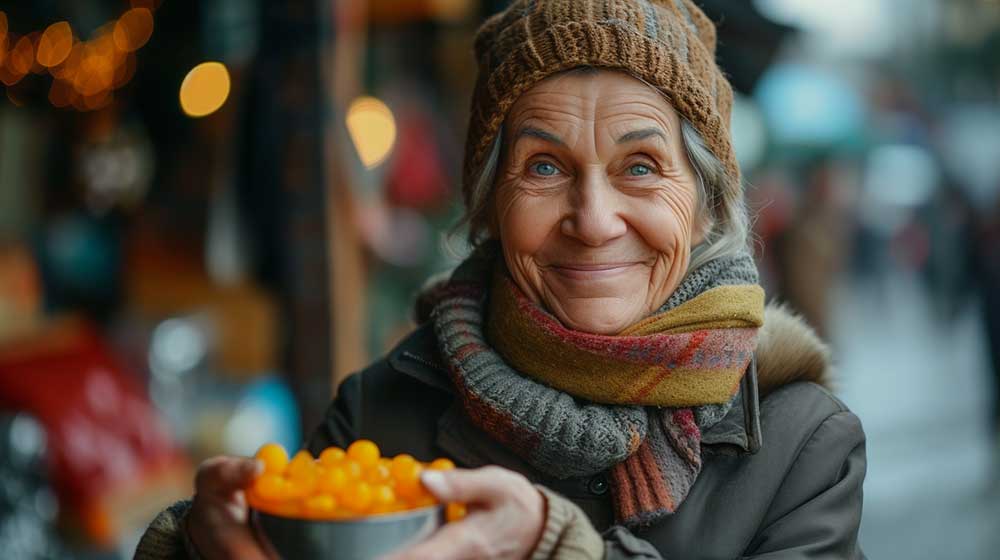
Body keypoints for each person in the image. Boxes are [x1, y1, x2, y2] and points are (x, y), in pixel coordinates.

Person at [136, 1, 866, 558]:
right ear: (488, 205)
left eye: (640, 167)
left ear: (707, 205)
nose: (593, 219)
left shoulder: (805, 446)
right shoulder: (381, 412)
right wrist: (196, 544)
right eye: (543, 168)